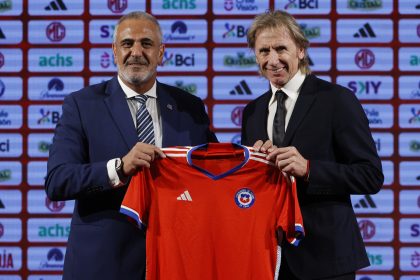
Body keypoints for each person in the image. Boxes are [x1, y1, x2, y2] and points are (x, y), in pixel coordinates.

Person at [44, 11, 217, 280]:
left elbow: (215, 172)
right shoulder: (82, 105)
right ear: (114, 51)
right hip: (104, 265)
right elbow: (58, 180)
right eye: (127, 44)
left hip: (176, 261)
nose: (136, 52)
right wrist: (119, 168)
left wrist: (258, 159)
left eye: (146, 44)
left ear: (161, 53)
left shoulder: (189, 107)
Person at [241, 10, 384, 280]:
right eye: (263, 51)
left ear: (301, 51)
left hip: (327, 259)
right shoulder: (252, 111)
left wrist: (308, 169)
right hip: (271, 258)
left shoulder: (336, 100)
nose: (272, 60)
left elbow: (370, 176)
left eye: (281, 48)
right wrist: (253, 167)